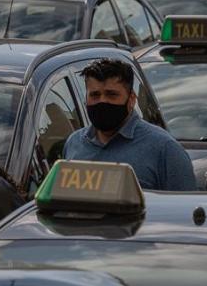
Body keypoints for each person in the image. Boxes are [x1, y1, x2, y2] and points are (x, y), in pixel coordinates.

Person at [61, 59, 197, 191]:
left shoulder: (165, 149)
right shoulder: (74, 143)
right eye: (95, 95)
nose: (102, 101)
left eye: (111, 94)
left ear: (131, 99)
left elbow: (183, 210)